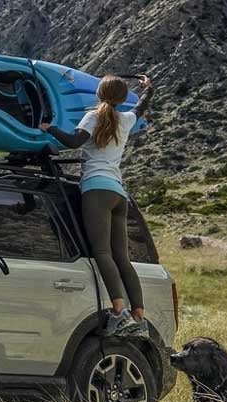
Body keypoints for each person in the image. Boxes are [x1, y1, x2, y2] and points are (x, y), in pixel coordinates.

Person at [38, 74, 153, 338]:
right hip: (118, 193)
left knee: (102, 252)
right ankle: (139, 317)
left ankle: (119, 312)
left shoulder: (92, 117)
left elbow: (73, 142)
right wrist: (148, 89)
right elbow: (141, 107)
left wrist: (49, 128)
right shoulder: (126, 119)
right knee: (122, 258)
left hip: (96, 189)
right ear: (122, 98)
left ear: (99, 94)